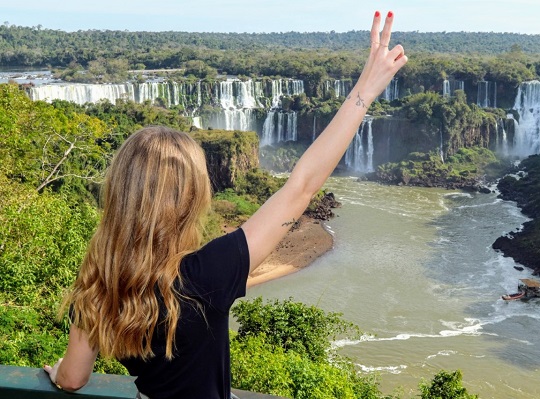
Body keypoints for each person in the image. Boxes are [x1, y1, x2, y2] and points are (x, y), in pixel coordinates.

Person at [43, 10, 408, 399]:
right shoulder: (207, 274)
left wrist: (56, 372)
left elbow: (72, 378)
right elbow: (301, 186)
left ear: (119, 195)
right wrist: (365, 91)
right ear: (191, 198)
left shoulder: (102, 280)